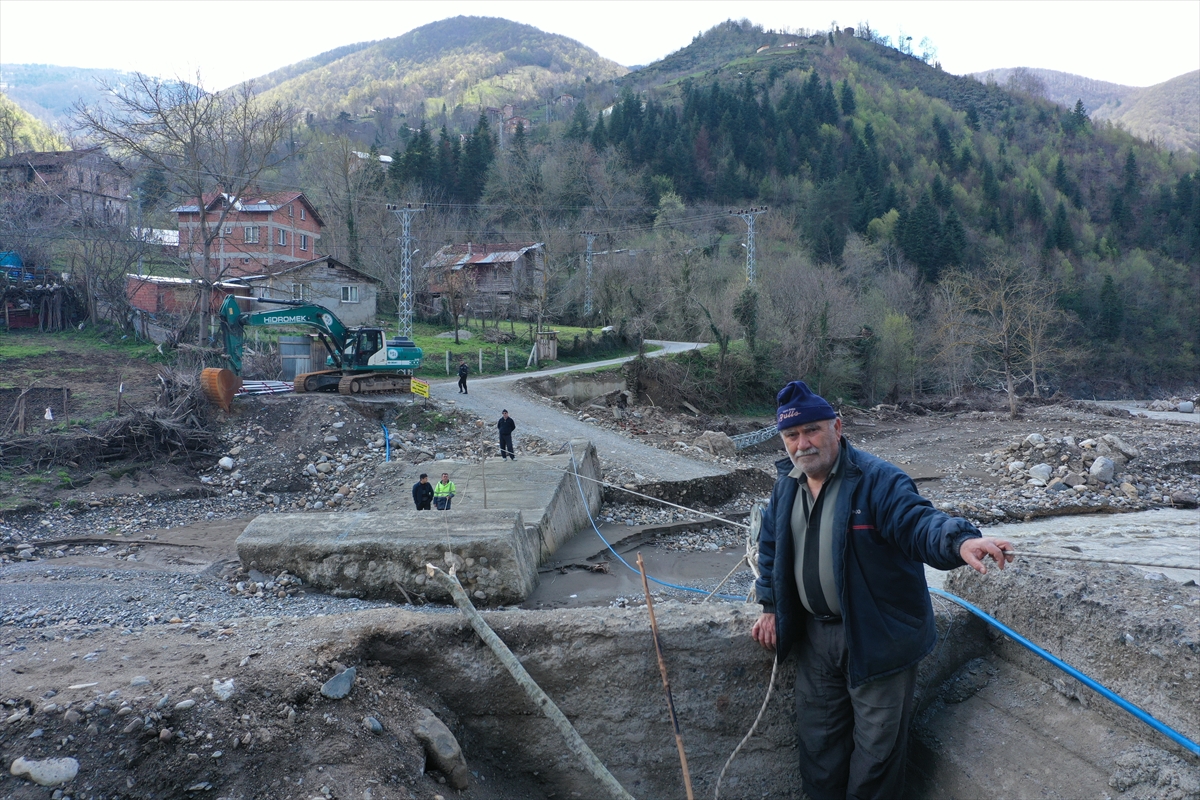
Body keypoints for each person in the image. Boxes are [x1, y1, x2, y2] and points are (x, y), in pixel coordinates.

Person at [751, 380, 1013, 800]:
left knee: (876, 759)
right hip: (814, 639)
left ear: (837, 426)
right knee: (819, 751)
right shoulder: (786, 486)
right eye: (791, 436)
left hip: (877, 637)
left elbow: (918, 524)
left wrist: (960, 541)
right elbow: (771, 548)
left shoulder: (879, 481)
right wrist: (769, 606)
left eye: (812, 430)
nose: (802, 444)